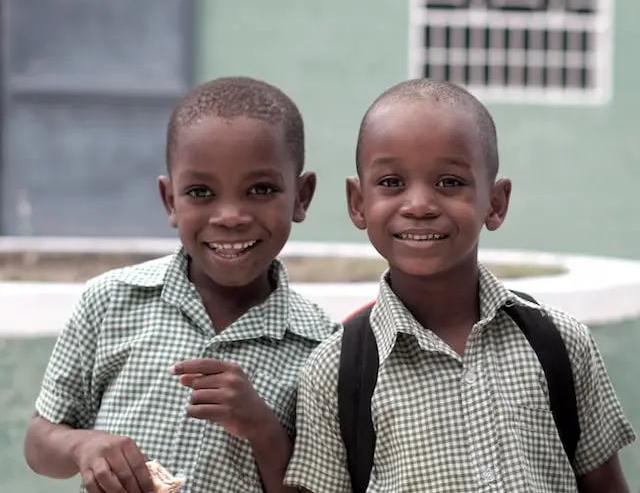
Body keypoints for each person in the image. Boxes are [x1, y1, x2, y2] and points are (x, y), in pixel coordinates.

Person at [284, 78, 635, 493]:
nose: (418, 206)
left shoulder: (560, 343)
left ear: (496, 202)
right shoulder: (335, 372)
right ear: (358, 203)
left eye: (449, 182)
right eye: (392, 183)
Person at [23, 76, 338, 493]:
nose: (230, 216)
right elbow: (39, 443)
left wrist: (262, 427)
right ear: (170, 200)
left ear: (301, 196)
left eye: (260, 189)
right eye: (200, 192)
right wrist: (84, 446)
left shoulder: (321, 347)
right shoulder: (111, 301)